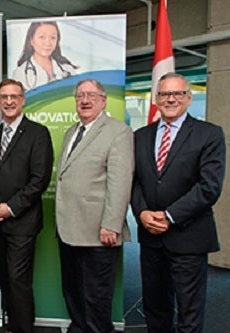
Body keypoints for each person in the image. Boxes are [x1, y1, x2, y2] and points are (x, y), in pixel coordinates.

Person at [131, 72, 226, 333]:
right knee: (155, 305)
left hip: (189, 236)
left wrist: (169, 215)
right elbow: (134, 182)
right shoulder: (140, 136)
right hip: (151, 237)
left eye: (177, 94)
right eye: (164, 94)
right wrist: (141, 213)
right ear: (156, 99)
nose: (170, 99)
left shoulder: (209, 134)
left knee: (189, 309)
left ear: (188, 98)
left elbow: (209, 187)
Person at [0, 79, 54, 333]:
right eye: (4, 97)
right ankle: (11, 325)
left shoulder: (38, 133)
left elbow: (39, 180)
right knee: (4, 279)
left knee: (19, 280)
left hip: (22, 221)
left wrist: (10, 207)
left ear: (22, 100)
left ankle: (23, 329)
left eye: (14, 97)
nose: (9, 101)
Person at [55, 79, 134, 333]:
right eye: (80, 96)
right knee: (74, 289)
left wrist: (111, 224)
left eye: (91, 95)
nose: (85, 100)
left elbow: (120, 182)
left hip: (98, 231)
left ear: (103, 100)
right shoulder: (72, 132)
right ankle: (79, 328)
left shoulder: (118, 131)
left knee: (96, 296)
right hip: (68, 229)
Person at [12, 21, 78, 91]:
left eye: (53, 37)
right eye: (42, 37)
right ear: (31, 40)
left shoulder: (68, 69)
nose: (47, 43)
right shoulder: (21, 73)